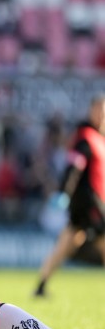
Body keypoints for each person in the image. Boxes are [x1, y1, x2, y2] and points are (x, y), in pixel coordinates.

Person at [34, 95, 105, 297]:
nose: (102, 115)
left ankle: (41, 285)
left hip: (92, 201)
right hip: (88, 202)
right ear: (91, 111)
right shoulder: (86, 137)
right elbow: (74, 168)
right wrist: (65, 192)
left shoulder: (98, 139)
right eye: (99, 110)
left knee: (67, 242)